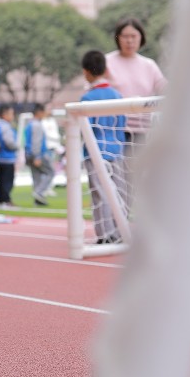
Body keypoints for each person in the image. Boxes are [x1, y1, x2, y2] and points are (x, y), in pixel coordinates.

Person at [105, 17, 167, 204]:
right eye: (125, 36)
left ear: (141, 38)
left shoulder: (148, 65)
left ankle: (125, 222)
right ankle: (112, 226)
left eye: (134, 36)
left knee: (133, 180)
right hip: (113, 131)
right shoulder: (107, 62)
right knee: (113, 179)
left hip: (139, 131)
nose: (129, 40)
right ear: (118, 38)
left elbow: (163, 87)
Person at [80, 51, 126, 244]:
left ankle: (104, 234)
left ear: (85, 72)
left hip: (95, 151)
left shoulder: (87, 99)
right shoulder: (117, 95)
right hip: (116, 149)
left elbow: (85, 129)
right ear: (106, 70)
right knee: (118, 193)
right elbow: (122, 123)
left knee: (99, 194)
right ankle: (119, 231)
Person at [25, 104, 56, 205]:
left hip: (29, 153)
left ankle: (38, 200)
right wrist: (37, 156)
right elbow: (36, 142)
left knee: (36, 176)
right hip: (37, 154)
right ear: (39, 112)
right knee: (50, 172)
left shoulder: (30, 124)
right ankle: (39, 192)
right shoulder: (37, 125)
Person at [0, 104, 19, 208]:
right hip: (7, 157)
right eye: (11, 113)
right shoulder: (5, 127)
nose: (12, 116)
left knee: (1, 179)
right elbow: (9, 142)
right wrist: (16, 147)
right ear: (4, 114)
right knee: (7, 180)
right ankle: (5, 200)